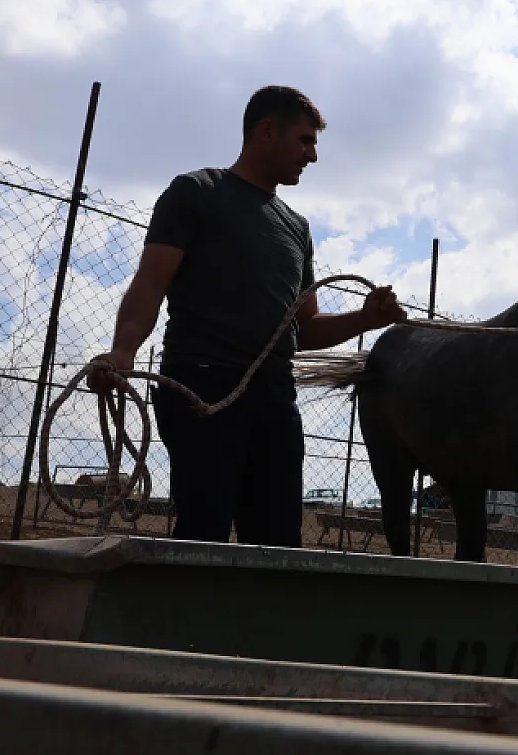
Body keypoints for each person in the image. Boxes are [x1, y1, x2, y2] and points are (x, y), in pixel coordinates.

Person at [89, 86, 405, 546]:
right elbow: (150, 283)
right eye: (304, 140)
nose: (312, 156)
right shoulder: (196, 193)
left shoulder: (296, 227)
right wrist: (123, 352)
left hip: (275, 398)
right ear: (266, 132)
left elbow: (304, 329)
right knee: (205, 530)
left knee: (279, 542)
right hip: (202, 387)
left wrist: (366, 318)